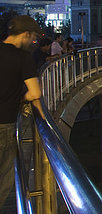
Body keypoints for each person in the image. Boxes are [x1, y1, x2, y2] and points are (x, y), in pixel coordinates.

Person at [0, 15, 43, 208]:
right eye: (32, 37)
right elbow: (35, 93)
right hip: (4, 125)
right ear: (25, 34)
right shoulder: (23, 58)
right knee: (3, 181)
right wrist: (22, 98)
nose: (32, 42)